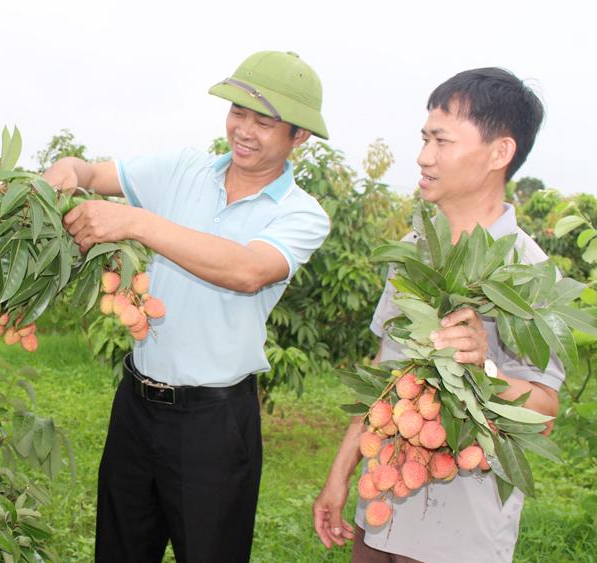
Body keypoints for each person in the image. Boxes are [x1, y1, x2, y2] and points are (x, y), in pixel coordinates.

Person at [43, 51, 332, 562]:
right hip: (136, 405)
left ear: (298, 137)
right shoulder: (183, 169)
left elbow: (246, 271)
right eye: (237, 113)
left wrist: (135, 222)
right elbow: (92, 172)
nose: (243, 130)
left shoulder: (301, 214)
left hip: (214, 426)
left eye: (263, 122)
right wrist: (70, 169)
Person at [312, 67, 561, 563]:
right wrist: (340, 475)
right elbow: (388, 376)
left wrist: (484, 371)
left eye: (442, 141)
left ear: (500, 152)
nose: (424, 157)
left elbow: (546, 412)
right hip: (381, 508)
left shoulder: (529, 273)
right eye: (424, 139)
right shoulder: (412, 251)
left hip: (457, 537)